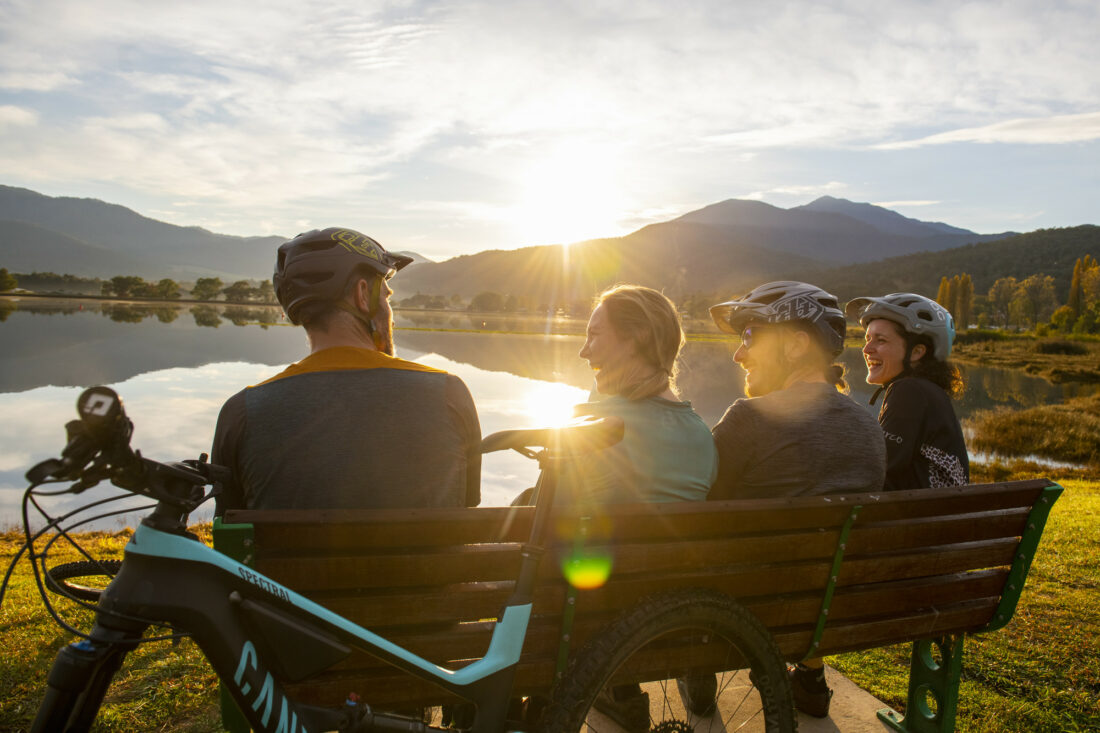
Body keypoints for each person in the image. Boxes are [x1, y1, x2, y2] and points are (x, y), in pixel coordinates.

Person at [681, 281, 886, 720]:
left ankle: (696, 662)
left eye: (750, 336)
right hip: (830, 608)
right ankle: (810, 675)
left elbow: (693, 514)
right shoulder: (871, 431)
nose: (739, 354)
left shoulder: (749, 419)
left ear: (796, 345)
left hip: (742, 607)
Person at [211, 227, 481, 516]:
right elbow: (466, 502)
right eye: (386, 297)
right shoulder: (449, 393)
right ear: (362, 294)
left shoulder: (242, 412)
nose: (389, 311)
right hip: (428, 564)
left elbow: (230, 520)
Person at [561, 284, 717, 506]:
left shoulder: (592, 428)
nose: (583, 351)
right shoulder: (703, 437)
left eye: (594, 335)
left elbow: (534, 520)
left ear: (637, 338)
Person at [845, 292, 969, 490]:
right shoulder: (928, 391)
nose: (866, 349)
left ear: (917, 352)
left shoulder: (909, 391)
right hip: (941, 515)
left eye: (881, 340)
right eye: (867, 338)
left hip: (921, 517)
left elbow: (878, 469)